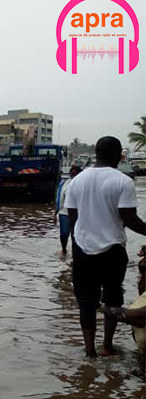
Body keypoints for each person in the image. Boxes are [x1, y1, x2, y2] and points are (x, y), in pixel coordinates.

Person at [65, 136, 146, 358]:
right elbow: (130, 219)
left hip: (83, 250)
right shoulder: (123, 181)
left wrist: (77, 245)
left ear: (96, 154)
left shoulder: (76, 181)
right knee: (112, 299)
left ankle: (89, 351)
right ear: (118, 156)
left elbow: (72, 218)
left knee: (86, 302)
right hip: (113, 250)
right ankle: (107, 346)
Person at [54, 164, 81, 253]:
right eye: (72, 174)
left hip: (78, 214)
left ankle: (75, 253)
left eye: (75, 174)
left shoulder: (82, 185)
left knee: (75, 236)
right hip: (64, 212)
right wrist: (55, 213)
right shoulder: (64, 184)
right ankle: (64, 250)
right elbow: (59, 199)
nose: (73, 176)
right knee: (64, 234)